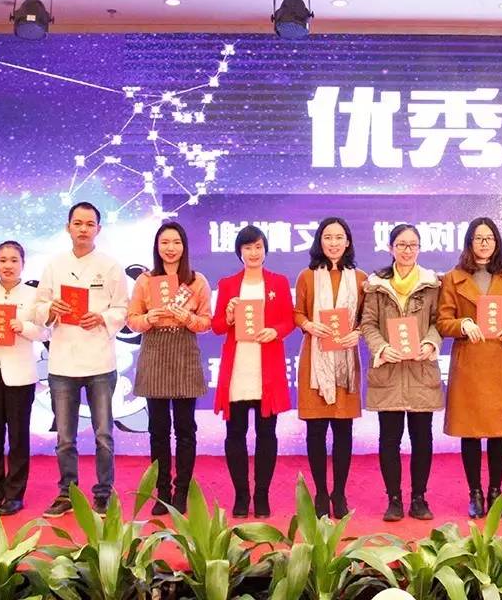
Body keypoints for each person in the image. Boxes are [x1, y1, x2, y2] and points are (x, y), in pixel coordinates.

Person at [34, 202, 128, 518]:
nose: (83, 229)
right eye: (78, 223)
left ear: (98, 229)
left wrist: (101, 317)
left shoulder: (111, 266)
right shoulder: (54, 265)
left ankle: (103, 494)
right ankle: (67, 493)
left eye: (90, 224)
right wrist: (51, 309)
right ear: (68, 227)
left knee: (103, 435)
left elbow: (122, 309)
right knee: (65, 437)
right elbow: (38, 308)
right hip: (62, 362)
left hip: (100, 362)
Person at [437, 217, 502, 518]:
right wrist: (462, 324)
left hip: (500, 359)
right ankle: (475, 493)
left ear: (497, 243)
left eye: (489, 238)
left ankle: (495, 490)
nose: (484, 243)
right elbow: (442, 321)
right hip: (469, 361)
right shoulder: (453, 278)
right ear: (469, 242)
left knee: (497, 432)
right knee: (470, 432)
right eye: (478, 238)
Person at [126, 221, 212, 516]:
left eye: (176, 242)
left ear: (184, 247)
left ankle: (182, 491)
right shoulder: (145, 280)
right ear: (157, 247)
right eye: (165, 242)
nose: (170, 248)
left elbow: (206, 322)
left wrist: (187, 318)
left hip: (185, 353)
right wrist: (149, 318)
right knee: (158, 430)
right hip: (155, 353)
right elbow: (131, 320)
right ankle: (162, 492)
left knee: (185, 429)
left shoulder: (197, 281)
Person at [210, 225, 296, 518]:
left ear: (265, 249)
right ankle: (241, 495)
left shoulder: (278, 282)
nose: (253, 253)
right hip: (238, 369)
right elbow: (217, 326)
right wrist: (229, 315)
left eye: (258, 247)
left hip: (266, 368)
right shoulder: (228, 284)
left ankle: (261, 495)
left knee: (266, 433)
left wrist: (275, 331)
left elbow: (289, 320)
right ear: (239, 252)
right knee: (235, 433)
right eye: (248, 248)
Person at [360, 223, 443, 522]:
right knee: (389, 440)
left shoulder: (432, 284)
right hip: (389, 372)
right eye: (401, 245)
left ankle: (419, 498)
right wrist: (381, 348)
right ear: (391, 248)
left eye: (412, 245)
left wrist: (431, 343)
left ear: (419, 248)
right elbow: (367, 324)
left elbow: (439, 321)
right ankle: (393, 499)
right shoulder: (376, 285)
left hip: (421, 370)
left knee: (422, 440)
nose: (407, 251)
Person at [293, 217, 366, 519]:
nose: (333, 243)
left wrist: (358, 332)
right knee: (316, 431)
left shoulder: (361, 279)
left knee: (343, 431)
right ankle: (321, 492)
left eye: (339, 237)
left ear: (348, 242)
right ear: (319, 241)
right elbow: (297, 313)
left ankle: (339, 492)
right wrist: (308, 325)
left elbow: (367, 319)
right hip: (315, 361)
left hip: (346, 362)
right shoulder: (307, 276)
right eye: (328, 237)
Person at [0, 240, 47, 516]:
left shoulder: (34, 295)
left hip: (21, 375)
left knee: (18, 437)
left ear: (23, 264)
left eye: (14, 260)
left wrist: (23, 326)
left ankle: (15, 495)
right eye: (2, 260)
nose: (8, 265)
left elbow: (45, 331)